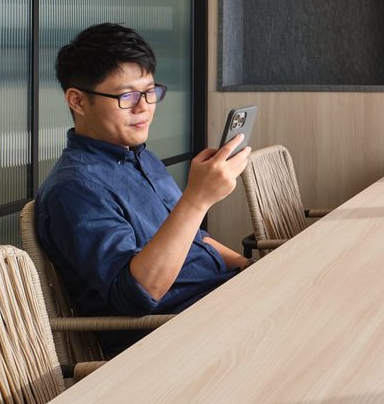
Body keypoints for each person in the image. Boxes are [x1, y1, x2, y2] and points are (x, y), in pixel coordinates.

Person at [34, 23, 250, 344]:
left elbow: (195, 238)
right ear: (77, 101)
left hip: (221, 300)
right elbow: (138, 295)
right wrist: (197, 200)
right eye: (127, 96)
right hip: (177, 334)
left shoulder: (140, 156)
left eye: (150, 92)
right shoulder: (74, 188)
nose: (144, 107)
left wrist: (253, 266)